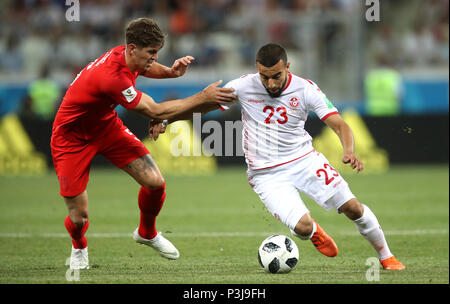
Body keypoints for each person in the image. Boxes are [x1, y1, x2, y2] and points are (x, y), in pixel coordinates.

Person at [174, 43, 405, 270]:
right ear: (257, 69)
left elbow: (340, 124)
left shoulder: (306, 89)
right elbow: (202, 107)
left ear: (288, 66)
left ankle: (387, 257)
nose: (271, 83)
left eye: (276, 76)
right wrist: (166, 120)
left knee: (353, 208)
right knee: (303, 228)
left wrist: (349, 151)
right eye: (264, 77)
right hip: (266, 175)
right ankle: (314, 232)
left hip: (305, 161)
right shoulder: (243, 86)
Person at [51, 17, 236, 270]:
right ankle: (79, 245)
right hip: (71, 138)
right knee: (79, 217)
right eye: (151, 53)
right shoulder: (111, 77)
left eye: (156, 53)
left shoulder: (124, 55)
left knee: (155, 183)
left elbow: (144, 69)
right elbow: (156, 111)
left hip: (106, 127)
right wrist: (202, 97)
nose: (154, 58)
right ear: (133, 49)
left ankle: (146, 233)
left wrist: (170, 73)